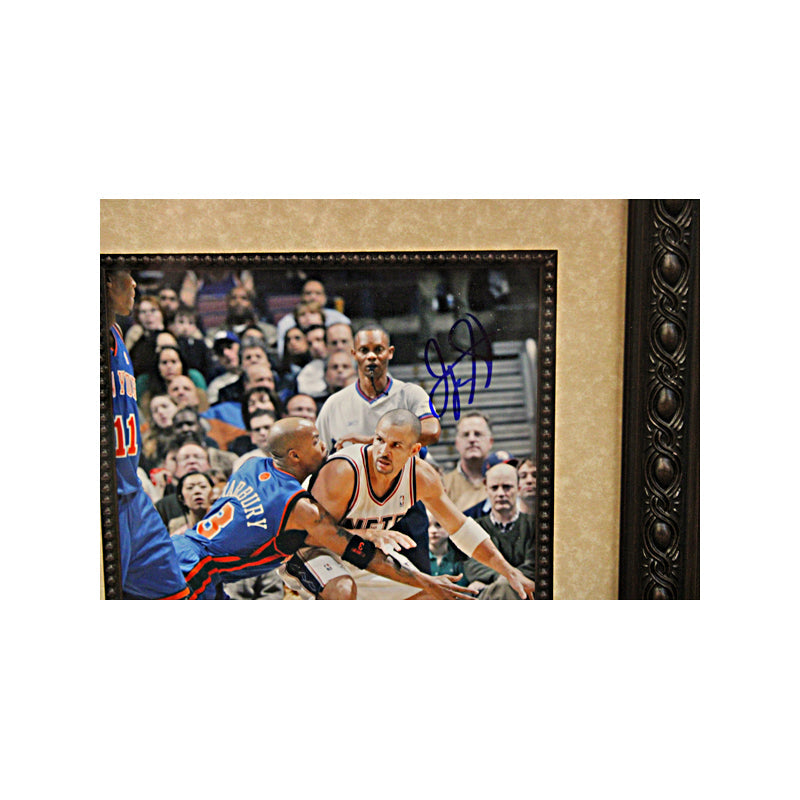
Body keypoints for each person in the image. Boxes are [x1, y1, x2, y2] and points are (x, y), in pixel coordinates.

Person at [170, 417, 474, 600]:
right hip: (194, 572)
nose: (323, 445)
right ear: (295, 456)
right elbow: (361, 555)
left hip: (187, 553)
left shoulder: (251, 466)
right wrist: (425, 580)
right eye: (316, 441)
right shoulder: (300, 509)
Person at [304, 409, 536, 600]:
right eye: (380, 440)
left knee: (435, 595)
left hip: (361, 552)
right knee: (343, 591)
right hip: (311, 550)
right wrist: (366, 534)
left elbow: (461, 529)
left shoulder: (421, 477)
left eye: (396, 445)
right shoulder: (343, 471)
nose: (383, 452)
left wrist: (509, 571)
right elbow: (308, 534)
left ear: (413, 450)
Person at [105, 268, 189, 599]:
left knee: (172, 593)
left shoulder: (117, 331)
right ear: (106, 280)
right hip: (105, 497)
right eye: (126, 274)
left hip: (132, 495)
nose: (134, 284)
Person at [315, 325, 441, 453]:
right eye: (364, 350)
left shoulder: (411, 394)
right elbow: (317, 451)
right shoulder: (334, 403)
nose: (371, 356)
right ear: (354, 354)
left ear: (390, 352)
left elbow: (433, 431)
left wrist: (373, 441)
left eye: (378, 349)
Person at [460, 462, 537, 600]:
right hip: (490, 593)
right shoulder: (475, 527)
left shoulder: (533, 525)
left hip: (524, 595)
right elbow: (472, 565)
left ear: (519, 488)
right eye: (494, 488)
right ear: (486, 489)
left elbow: (533, 565)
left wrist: (505, 580)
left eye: (507, 487)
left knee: (504, 587)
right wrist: (504, 578)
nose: (501, 493)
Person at [274, 278, 351, 360]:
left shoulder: (339, 318)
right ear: (301, 296)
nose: (313, 297)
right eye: (308, 293)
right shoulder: (286, 322)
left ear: (325, 297)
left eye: (318, 293)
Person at [441, 411, 495, 511]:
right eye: (466, 435)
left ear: (490, 442)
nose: (471, 439)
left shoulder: (502, 483)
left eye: (478, 434)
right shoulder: (443, 486)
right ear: (457, 443)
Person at [427, 510, 467, 586]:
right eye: (427, 525)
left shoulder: (460, 558)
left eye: (438, 525)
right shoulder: (418, 558)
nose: (433, 530)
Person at [168, 471, 216, 536]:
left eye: (203, 486)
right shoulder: (178, 535)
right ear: (181, 498)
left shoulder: (225, 526)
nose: (197, 491)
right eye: (190, 488)